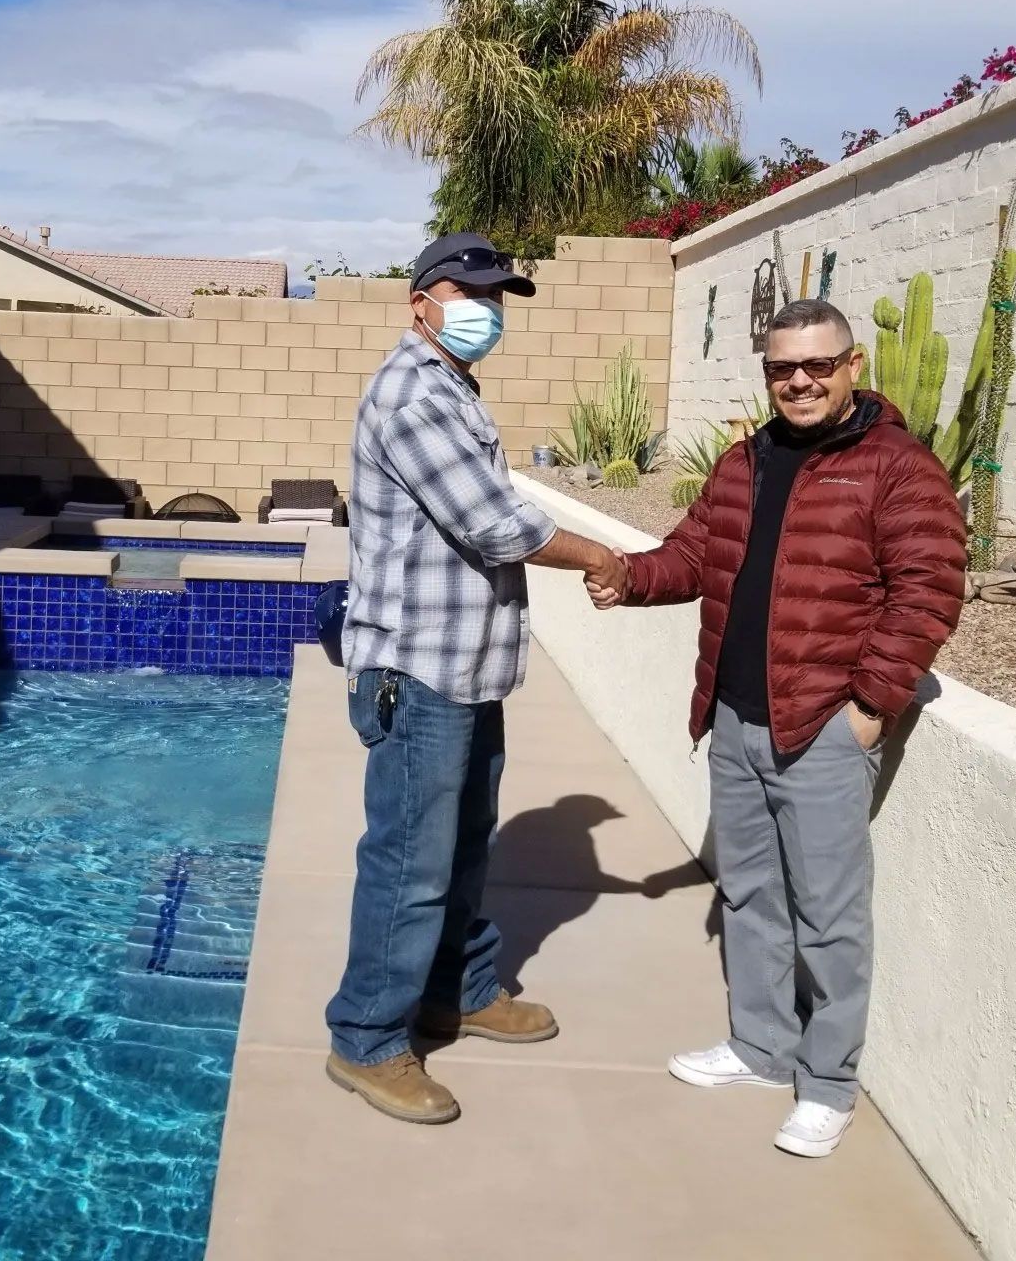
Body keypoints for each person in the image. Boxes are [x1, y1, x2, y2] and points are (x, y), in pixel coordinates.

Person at [589, 298, 965, 1158]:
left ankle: (828, 1084)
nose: (798, 381)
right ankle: (762, 1048)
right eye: (781, 368)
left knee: (829, 915)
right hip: (735, 713)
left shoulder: (897, 468)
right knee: (751, 895)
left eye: (816, 366)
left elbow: (930, 589)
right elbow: (693, 555)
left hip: (822, 726)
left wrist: (869, 707)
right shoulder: (744, 462)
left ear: (852, 366)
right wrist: (629, 578)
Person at [324, 232, 631, 1125]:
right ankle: (368, 1040)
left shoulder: (452, 386)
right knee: (411, 859)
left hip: (465, 667)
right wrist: (602, 556)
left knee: (461, 846)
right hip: (418, 670)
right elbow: (496, 526)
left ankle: (455, 989)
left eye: (497, 296)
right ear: (421, 300)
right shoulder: (413, 392)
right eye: (469, 290)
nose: (486, 309)